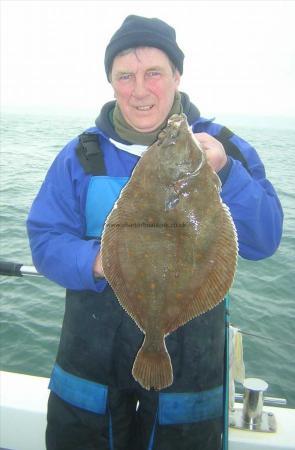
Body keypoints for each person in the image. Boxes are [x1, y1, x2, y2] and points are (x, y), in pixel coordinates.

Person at [27, 15, 283, 450]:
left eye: (153, 73)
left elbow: (264, 240)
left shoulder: (224, 150)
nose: (139, 89)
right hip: (89, 367)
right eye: (125, 75)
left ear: (177, 76)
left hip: (191, 375)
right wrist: (99, 261)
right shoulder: (80, 155)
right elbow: (44, 237)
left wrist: (227, 173)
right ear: (111, 82)